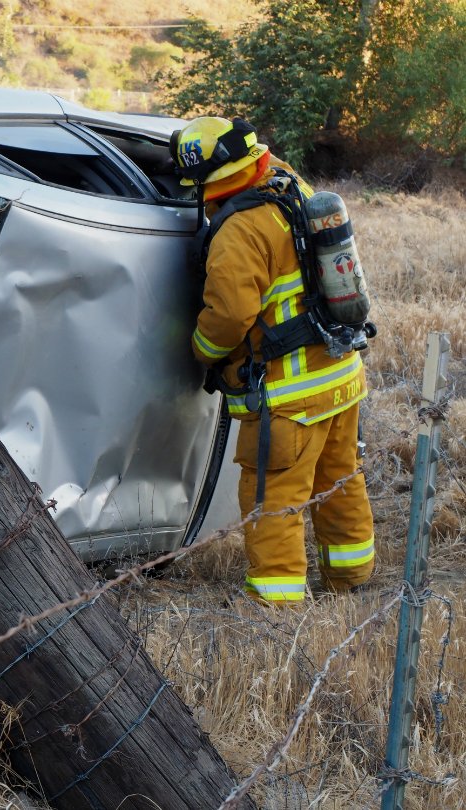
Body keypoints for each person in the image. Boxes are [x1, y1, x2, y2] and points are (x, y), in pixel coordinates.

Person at [171, 116, 375, 604]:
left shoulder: (239, 230)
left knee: (274, 501)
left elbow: (229, 316)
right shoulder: (291, 185)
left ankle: (277, 605)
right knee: (340, 480)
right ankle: (352, 580)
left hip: (290, 400)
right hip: (342, 375)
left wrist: (201, 352)